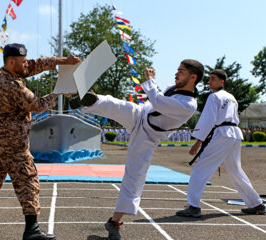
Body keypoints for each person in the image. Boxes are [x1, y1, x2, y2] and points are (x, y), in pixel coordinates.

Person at [70, 59, 204, 240]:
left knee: (134, 176)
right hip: (140, 114)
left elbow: (157, 102)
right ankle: (88, 100)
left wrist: (149, 80)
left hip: (148, 136)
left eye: (181, 71)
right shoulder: (173, 87)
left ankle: (114, 223)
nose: (176, 73)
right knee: (114, 104)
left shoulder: (188, 105)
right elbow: (153, 101)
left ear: (193, 77)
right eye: (177, 70)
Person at [0, 43, 80, 239]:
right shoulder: (12, 85)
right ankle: (32, 230)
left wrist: (65, 61)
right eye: (23, 62)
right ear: (12, 62)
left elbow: (37, 64)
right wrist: (59, 92)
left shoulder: (1, 74)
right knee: (28, 181)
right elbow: (37, 105)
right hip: (14, 144)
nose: (27, 65)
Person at [176, 69, 265, 218]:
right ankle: (257, 204)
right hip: (234, 134)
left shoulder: (214, 96)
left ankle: (193, 206)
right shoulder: (232, 98)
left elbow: (208, 120)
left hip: (223, 134)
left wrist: (198, 142)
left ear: (221, 82)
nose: (209, 81)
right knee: (235, 171)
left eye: (213, 79)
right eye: (209, 78)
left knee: (200, 168)